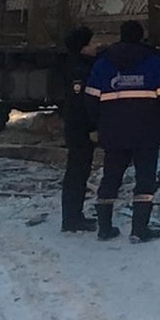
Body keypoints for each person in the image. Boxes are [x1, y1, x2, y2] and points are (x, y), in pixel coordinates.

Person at [84, 20, 160, 243]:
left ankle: (104, 228)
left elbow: (90, 99)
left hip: (113, 132)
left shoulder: (103, 62)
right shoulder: (154, 61)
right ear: (141, 36)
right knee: (145, 180)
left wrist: (97, 125)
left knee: (111, 179)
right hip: (146, 131)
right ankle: (139, 229)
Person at [60, 25, 98, 232]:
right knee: (77, 171)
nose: (96, 45)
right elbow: (80, 105)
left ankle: (74, 215)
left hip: (77, 127)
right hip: (79, 129)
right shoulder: (78, 70)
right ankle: (72, 218)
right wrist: (91, 128)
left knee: (79, 171)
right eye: (92, 43)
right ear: (83, 47)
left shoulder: (79, 65)